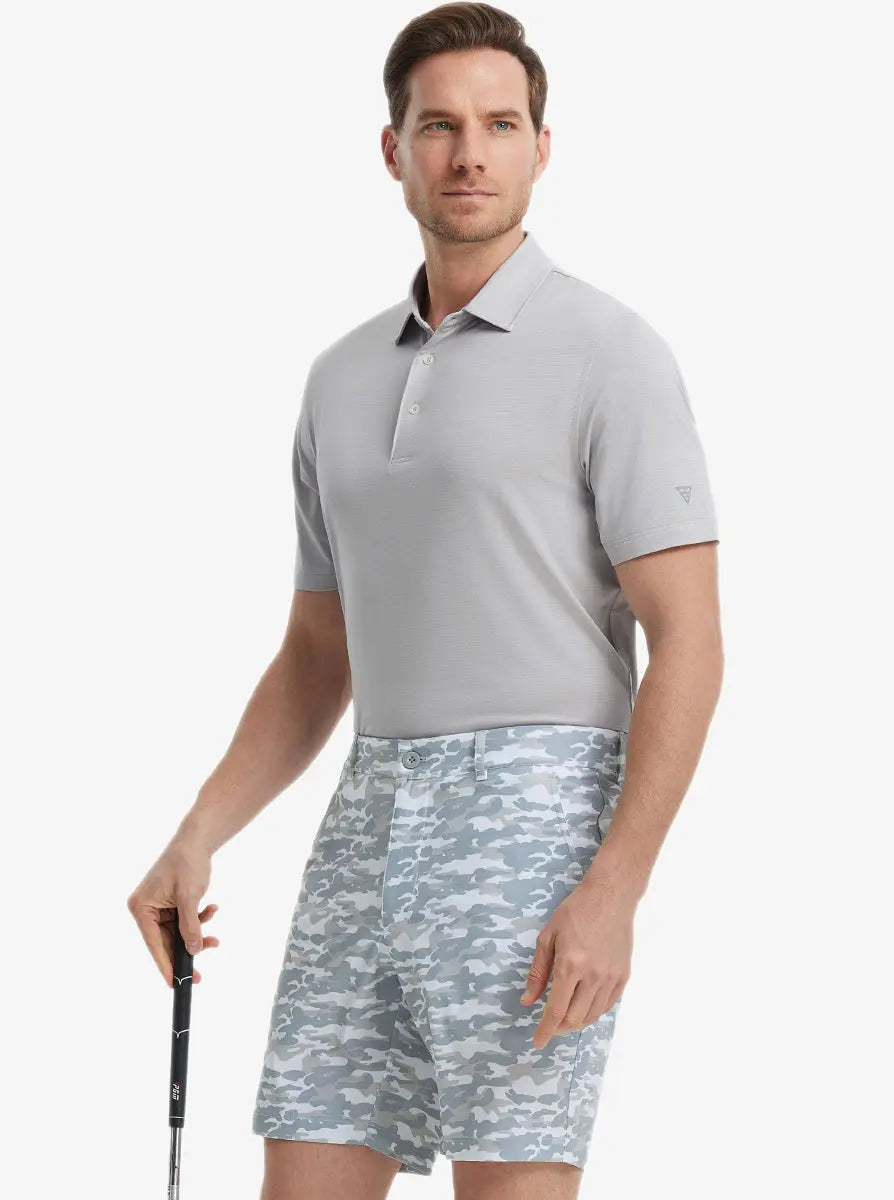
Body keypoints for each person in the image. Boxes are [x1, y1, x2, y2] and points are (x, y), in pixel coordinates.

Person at [127, 4, 724, 1197]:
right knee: (303, 1170)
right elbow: (318, 653)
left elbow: (691, 641)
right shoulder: (340, 377)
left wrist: (614, 888)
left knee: (509, 1182)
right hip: (369, 812)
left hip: (536, 815)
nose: (469, 154)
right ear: (393, 148)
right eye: (440, 125)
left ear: (541, 148)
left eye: (500, 125)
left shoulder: (610, 351)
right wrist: (197, 836)